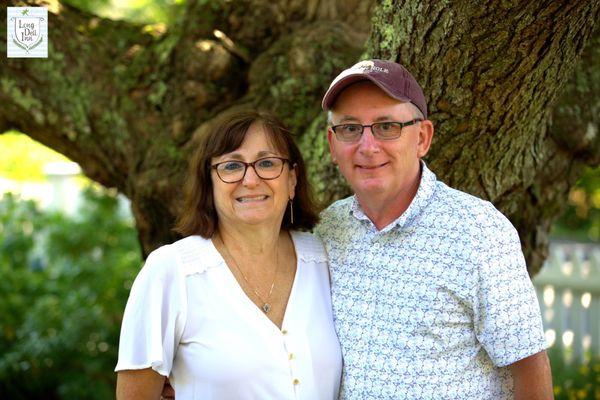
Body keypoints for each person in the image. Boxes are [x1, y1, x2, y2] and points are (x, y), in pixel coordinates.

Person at [314, 59, 553, 399]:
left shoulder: (479, 232)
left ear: (422, 138)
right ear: (332, 144)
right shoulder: (326, 231)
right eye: (350, 128)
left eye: (386, 127)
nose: (367, 146)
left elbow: (529, 370)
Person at [115, 111, 342, 399]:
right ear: (209, 183)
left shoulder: (326, 261)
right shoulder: (172, 272)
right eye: (232, 166)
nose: (250, 180)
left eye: (267, 163)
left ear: (292, 180)